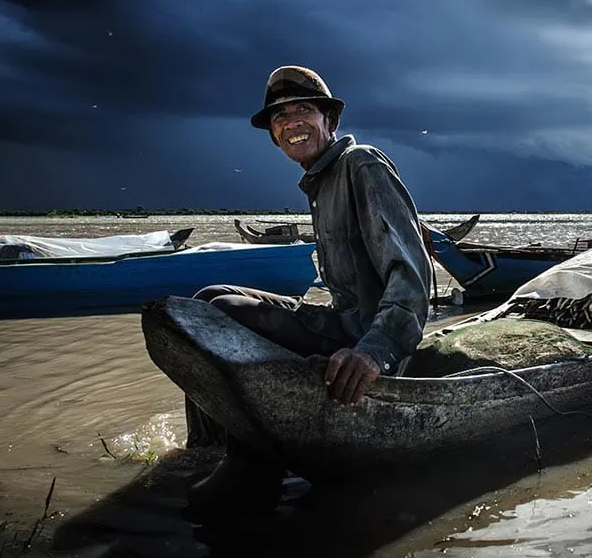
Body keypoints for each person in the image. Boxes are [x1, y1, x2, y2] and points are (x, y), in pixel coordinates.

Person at [184, 65, 433, 517]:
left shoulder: (363, 165)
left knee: (221, 309)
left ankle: (253, 461)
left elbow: (414, 278)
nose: (292, 123)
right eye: (281, 118)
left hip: (369, 340)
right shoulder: (319, 182)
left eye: (304, 111)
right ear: (275, 136)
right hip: (343, 323)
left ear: (329, 122)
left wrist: (374, 352)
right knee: (205, 303)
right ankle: (206, 446)